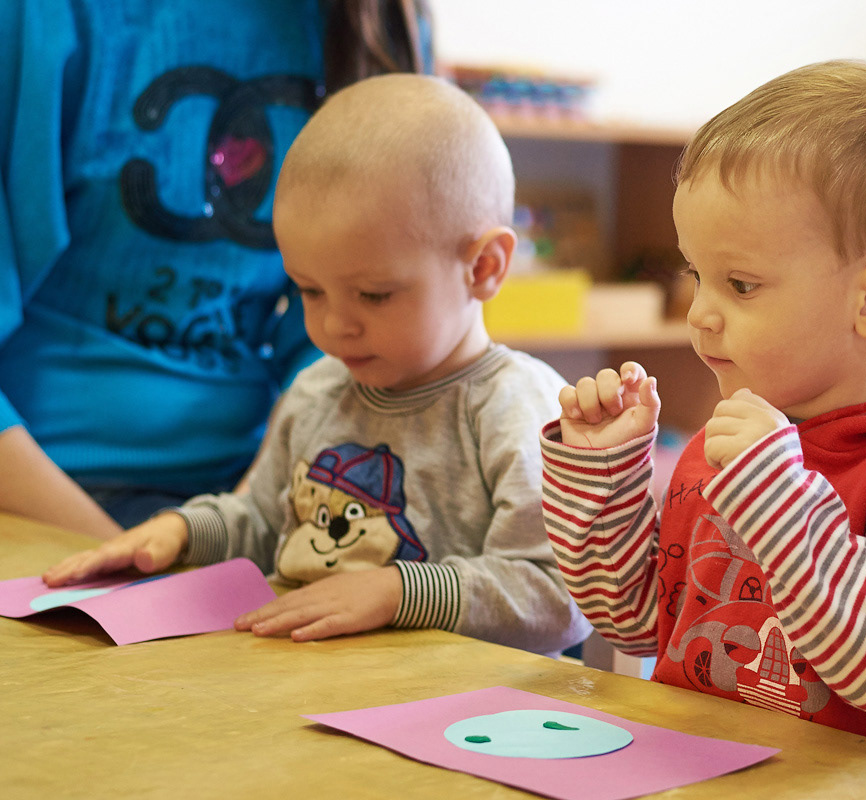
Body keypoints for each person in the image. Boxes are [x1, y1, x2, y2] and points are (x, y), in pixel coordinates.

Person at [541, 59, 866, 759]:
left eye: (741, 285)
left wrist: (777, 495)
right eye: (696, 275)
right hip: (700, 766)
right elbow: (636, 620)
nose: (699, 313)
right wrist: (604, 477)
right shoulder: (733, 443)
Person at [44, 73, 592, 655]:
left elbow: (561, 598)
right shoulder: (316, 391)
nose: (334, 326)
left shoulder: (520, 411)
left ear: (483, 267)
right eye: (309, 290)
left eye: (373, 294)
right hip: (316, 687)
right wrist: (183, 530)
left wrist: (399, 592)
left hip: (459, 699)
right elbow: (264, 522)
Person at [0, 0, 432, 537]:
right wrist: (131, 560)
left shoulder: (377, 26)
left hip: (265, 485)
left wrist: (237, 518)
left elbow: (337, 347)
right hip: (44, 489)